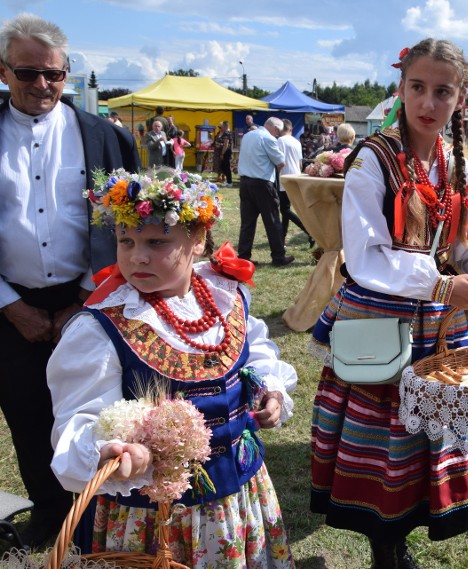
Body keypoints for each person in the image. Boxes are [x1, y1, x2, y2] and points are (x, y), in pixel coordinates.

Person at [308, 38, 468, 569]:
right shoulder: (373, 159)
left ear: (461, 97)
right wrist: (441, 285)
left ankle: (406, 533)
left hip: (443, 323)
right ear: (400, 89)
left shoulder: (456, 165)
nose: (427, 103)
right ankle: (385, 545)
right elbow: (367, 253)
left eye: (442, 91)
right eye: (417, 88)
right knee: (387, 436)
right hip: (385, 317)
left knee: (432, 432)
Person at [47, 170, 297, 567]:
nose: (137, 256)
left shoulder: (225, 294)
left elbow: (258, 351)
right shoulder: (101, 328)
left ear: (198, 240)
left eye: (157, 242)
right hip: (154, 519)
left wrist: (271, 389)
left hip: (239, 496)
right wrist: (111, 451)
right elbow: (77, 421)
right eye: (125, 241)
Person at [0, 12, 139, 548]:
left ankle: (101, 517)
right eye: (28, 73)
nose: (42, 85)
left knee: (100, 410)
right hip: (10, 306)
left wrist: (85, 299)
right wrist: (13, 307)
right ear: (5, 72)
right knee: (27, 412)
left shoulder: (103, 136)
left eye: (54, 74)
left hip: (93, 298)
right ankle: (51, 514)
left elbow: (124, 224)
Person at [237, 117, 293, 267]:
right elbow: (281, 162)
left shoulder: (248, 135)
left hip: (245, 182)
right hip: (262, 184)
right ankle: (278, 257)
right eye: (278, 132)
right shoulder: (268, 139)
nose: (278, 135)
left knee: (247, 223)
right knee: (273, 221)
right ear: (275, 129)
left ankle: (243, 257)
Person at [276, 118, 314, 248]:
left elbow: (279, 160)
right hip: (296, 176)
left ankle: (309, 231)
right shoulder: (297, 142)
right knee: (286, 209)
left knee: (285, 209)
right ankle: (282, 236)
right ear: (291, 129)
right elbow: (300, 162)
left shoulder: (280, 141)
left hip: (284, 177)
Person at [215, 120, 233, 187]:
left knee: (226, 167)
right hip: (226, 151)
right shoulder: (226, 132)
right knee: (224, 166)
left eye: (221, 126)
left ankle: (229, 182)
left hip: (226, 151)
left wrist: (222, 153)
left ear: (225, 126)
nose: (220, 128)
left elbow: (226, 145)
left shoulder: (227, 133)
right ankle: (227, 181)